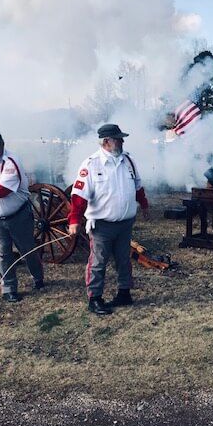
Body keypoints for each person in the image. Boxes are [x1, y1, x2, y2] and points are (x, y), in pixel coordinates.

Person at [68, 124, 149, 315]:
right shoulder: (91, 164)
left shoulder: (128, 161)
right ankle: (95, 298)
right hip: (102, 225)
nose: (122, 141)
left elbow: (137, 186)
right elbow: (79, 196)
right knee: (98, 262)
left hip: (125, 223)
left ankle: (124, 293)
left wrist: (144, 205)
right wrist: (74, 220)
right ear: (106, 141)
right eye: (118, 138)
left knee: (123, 259)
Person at [0, 129, 44, 302]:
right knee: (3, 253)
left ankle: (38, 278)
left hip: (18, 216)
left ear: (2, 145)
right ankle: (9, 288)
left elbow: (2, 190)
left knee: (27, 250)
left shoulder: (11, 161)